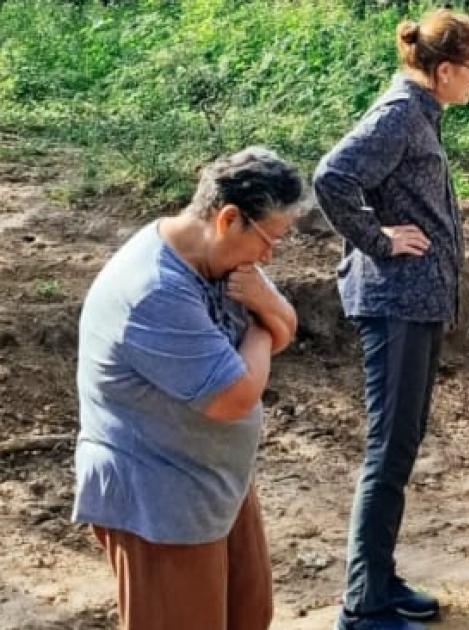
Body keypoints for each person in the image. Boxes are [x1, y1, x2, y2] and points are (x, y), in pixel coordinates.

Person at [73, 147, 304, 630]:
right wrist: (263, 325)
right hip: (159, 499)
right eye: (269, 239)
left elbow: (289, 322)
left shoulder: (221, 260)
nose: (269, 255)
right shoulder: (156, 289)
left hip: (214, 484)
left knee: (248, 616)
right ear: (228, 219)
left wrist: (267, 311)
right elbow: (234, 397)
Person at [312, 9, 469, 630]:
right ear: (444, 71)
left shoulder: (419, 114)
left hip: (415, 304)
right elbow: (331, 176)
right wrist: (380, 240)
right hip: (394, 304)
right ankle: (362, 605)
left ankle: (379, 581)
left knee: (403, 444)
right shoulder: (398, 115)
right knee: (389, 450)